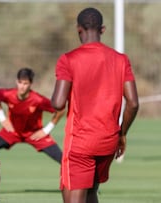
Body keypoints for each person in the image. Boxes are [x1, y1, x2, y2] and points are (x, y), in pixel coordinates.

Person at [51, 7, 139, 203]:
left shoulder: (69, 59)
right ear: (103, 29)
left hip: (80, 142)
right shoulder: (121, 60)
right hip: (108, 141)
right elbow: (133, 103)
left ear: (79, 29)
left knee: (72, 192)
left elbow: (57, 103)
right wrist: (122, 134)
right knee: (91, 192)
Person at [0, 67, 64, 194]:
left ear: (30, 84)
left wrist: (46, 130)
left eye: (25, 83)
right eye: (20, 82)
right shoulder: (8, 94)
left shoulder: (38, 100)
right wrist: (2, 119)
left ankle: (81, 188)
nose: (22, 86)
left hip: (34, 135)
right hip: (12, 132)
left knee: (64, 159)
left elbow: (60, 110)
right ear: (16, 82)